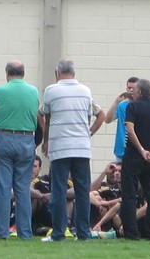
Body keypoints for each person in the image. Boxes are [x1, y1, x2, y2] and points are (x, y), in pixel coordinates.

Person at [42, 59, 99, 242]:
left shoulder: (51, 90)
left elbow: (46, 116)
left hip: (60, 148)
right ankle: (83, 233)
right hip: (82, 148)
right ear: (74, 73)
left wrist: (46, 141)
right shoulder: (86, 91)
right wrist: (86, 134)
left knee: (58, 191)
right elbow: (91, 116)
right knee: (83, 191)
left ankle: (58, 234)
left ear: (57, 73)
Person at [0, 60, 38, 241]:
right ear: (23, 73)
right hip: (26, 139)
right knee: (23, 189)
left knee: (2, 188)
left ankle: (0, 231)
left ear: (7, 72)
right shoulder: (33, 91)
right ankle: (25, 233)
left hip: (3, 138)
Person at [120, 79, 150, 241]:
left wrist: (141, 150)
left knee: (129, 195)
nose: (132, 93)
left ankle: (131, 233)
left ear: (139, 92)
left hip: (134, 155)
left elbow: (130, 129)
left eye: (134, 90)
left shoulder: (132, 106)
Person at [105, 77, 139, 162]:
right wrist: (116, 102)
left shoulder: (141, 106)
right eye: (129, 88)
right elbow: (107, 120)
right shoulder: (122, 105)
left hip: (136, 150)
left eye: (133, 88)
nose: (131, 90)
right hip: (121, 150)